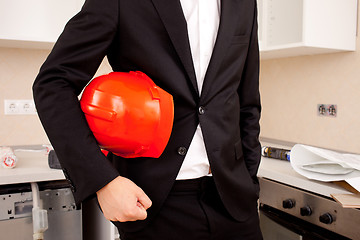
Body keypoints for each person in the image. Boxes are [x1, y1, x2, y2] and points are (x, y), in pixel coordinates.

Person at [33, 0, 262, 239]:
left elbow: (247, 101)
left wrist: (249, 179)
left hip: (235, 202)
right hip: (153, 203)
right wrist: (102, 181)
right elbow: (52, 84)